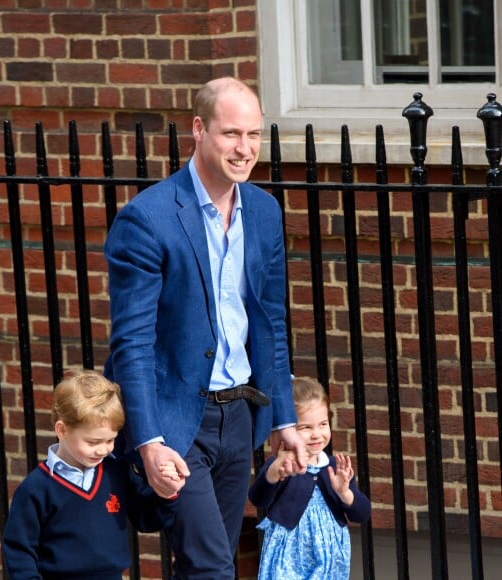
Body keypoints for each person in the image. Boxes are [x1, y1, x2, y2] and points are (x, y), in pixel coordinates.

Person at [103, 76, 307, 578]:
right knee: (212, 567)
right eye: (231, 134)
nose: (245, 149)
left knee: (199, 566)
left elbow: (272, 325)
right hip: (176, 423)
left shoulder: (263, 211)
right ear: (199, 129)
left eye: (254, 135)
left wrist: (284, 418)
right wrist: (147, 440)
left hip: (239, 417)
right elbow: (132, 343)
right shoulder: (148, 219)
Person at [1, 369, 178, 579]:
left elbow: (147, 520)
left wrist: (167, 493)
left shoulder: (117, 473)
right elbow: (19, 551)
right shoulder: (36, 488)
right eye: (93, 442)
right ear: (62, 430)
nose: (103, 449)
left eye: (110, 440)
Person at [249, 378, 372, 579]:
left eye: (323, 424)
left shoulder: (335, 468)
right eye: (306, 428)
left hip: (329, 555)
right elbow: (258, 499)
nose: (316, 434)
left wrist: (346, 494)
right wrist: (273, 473)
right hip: (288, 551)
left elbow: (362, 513)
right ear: (288, 430)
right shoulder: (283, 464)